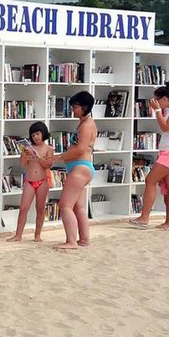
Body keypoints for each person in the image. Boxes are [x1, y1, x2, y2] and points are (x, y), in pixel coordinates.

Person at [129, 82, 169, 230]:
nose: (155, 103)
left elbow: (166, 127)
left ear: (165, 99)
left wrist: (157, 111)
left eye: (157, 100)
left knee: (150, 180)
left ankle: (145, 217)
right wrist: (159, 111)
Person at [56, 91, 97, 249]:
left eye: (75, 107)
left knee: (65, 205)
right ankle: (83, 239)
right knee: (78, 206)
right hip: (79, 167)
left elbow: (80, 149)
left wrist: (59, 157)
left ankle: (71, 241)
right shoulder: (84, 122)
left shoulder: (87, 125)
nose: (73, 110)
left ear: (85, 107)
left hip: (80, 167)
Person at [7, 121, 54, 242]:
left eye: (38, 134)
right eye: (33, 135)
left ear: (43, 133)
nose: (36, 137)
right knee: (24, 208)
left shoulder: (48, 149)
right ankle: (18, 234)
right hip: (29, 181)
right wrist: (25, 156)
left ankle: (37, 234)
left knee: (40, 208)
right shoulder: (28, 148)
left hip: (42, 181)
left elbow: (48, 166)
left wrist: (38, 157)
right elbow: (23, 165)